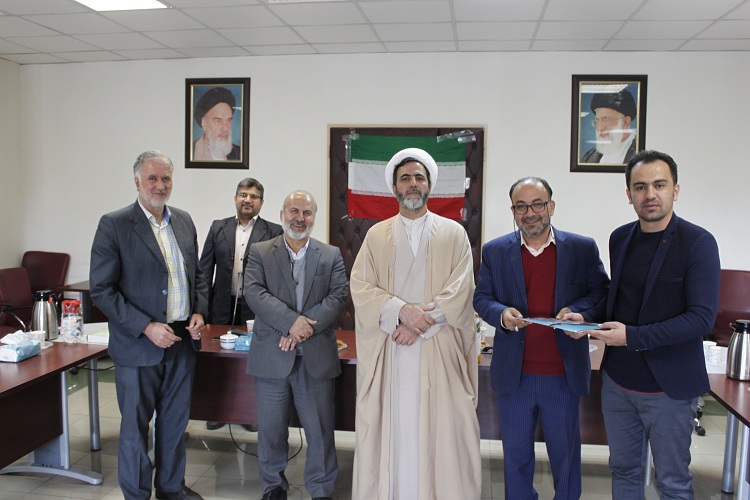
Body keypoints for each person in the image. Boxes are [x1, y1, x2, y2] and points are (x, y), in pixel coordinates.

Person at [570, 150, 721, 498]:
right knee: (623, 471)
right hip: (619, 383)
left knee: (672, 482)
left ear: (675, 190)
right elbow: (619, 298)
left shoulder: (698, 243)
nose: (650, 194)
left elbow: (700, 318)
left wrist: (632, 336)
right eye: (640, 187)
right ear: (629, 194)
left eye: (659, 185)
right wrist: (586, 316)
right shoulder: (620, 237)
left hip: (669, 389)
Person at [351, 148, 481, 499]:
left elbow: (461, 290)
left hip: (438, 349)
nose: (412, 184)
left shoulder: (453, 233)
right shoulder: (376, 236)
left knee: (444, 432)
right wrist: (399, 311)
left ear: (429, 186)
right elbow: (361, 287)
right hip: (390, 350)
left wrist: (418, 322)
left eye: (419, 178)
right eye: (405, 178)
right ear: (394, 187)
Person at [473, 176, 609, 500]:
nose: (530, 212)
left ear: (551, 206)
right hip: (515, 375)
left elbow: (601, 293)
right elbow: (482, 298)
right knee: (516, 458)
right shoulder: (495, 251)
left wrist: (579, 312)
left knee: (565, 456)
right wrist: (501, 314)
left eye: (537, 204)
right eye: (521, 206)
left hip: (562, 374)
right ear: (513, 211)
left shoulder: (581, 248)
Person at [90, 150, 208, 500]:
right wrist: (145, 326)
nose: (160, 185)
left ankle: (171, 489)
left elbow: (198, 276)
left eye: (166, 178)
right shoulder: (114, 224)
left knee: (174, 424)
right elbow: (102, 290)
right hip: (138, 344)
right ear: (137, 182)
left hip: (181, 341)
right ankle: (137, 494)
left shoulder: (183, 221)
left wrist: (199, 312)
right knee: (135, 429)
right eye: (152, 178)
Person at [244, 190, 348, 500]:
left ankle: (321, 489)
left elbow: (338, 296)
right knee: (271, 430)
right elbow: (254, 292)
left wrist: (302, 330)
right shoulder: (261, 252)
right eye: (294, 211)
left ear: (314, 217)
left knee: (320, 431)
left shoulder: (330, 255)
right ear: (282, 215)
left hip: (315, 357)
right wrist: (291, 323)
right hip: (271, 356)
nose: (299, 218)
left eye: (306, 212)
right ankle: (273, 486)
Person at [199, 177, 282, 432]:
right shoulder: (218, 228)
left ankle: (249, 413)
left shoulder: (274, 231)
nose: (248, 200)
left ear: (261, 202)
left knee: (251, 362)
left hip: (255, 309)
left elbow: (278, 276)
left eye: (253, 196)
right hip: (221, 306)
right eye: (243, 195)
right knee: (219, 361)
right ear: (235, 198)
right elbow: (204, 271)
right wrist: (200, 309)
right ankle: (218, 411)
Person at [581, 89, 637, 164]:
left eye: (606, 120)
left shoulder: (639, 155)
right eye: (597, 121)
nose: (600, 128)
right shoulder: (589, 157)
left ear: (625, 122)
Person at [193, 86, 240, 161]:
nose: (225, 129)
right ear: (204, 123)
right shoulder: (192, 151)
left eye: (228, 120)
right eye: (218, 121)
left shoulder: (239, 153)